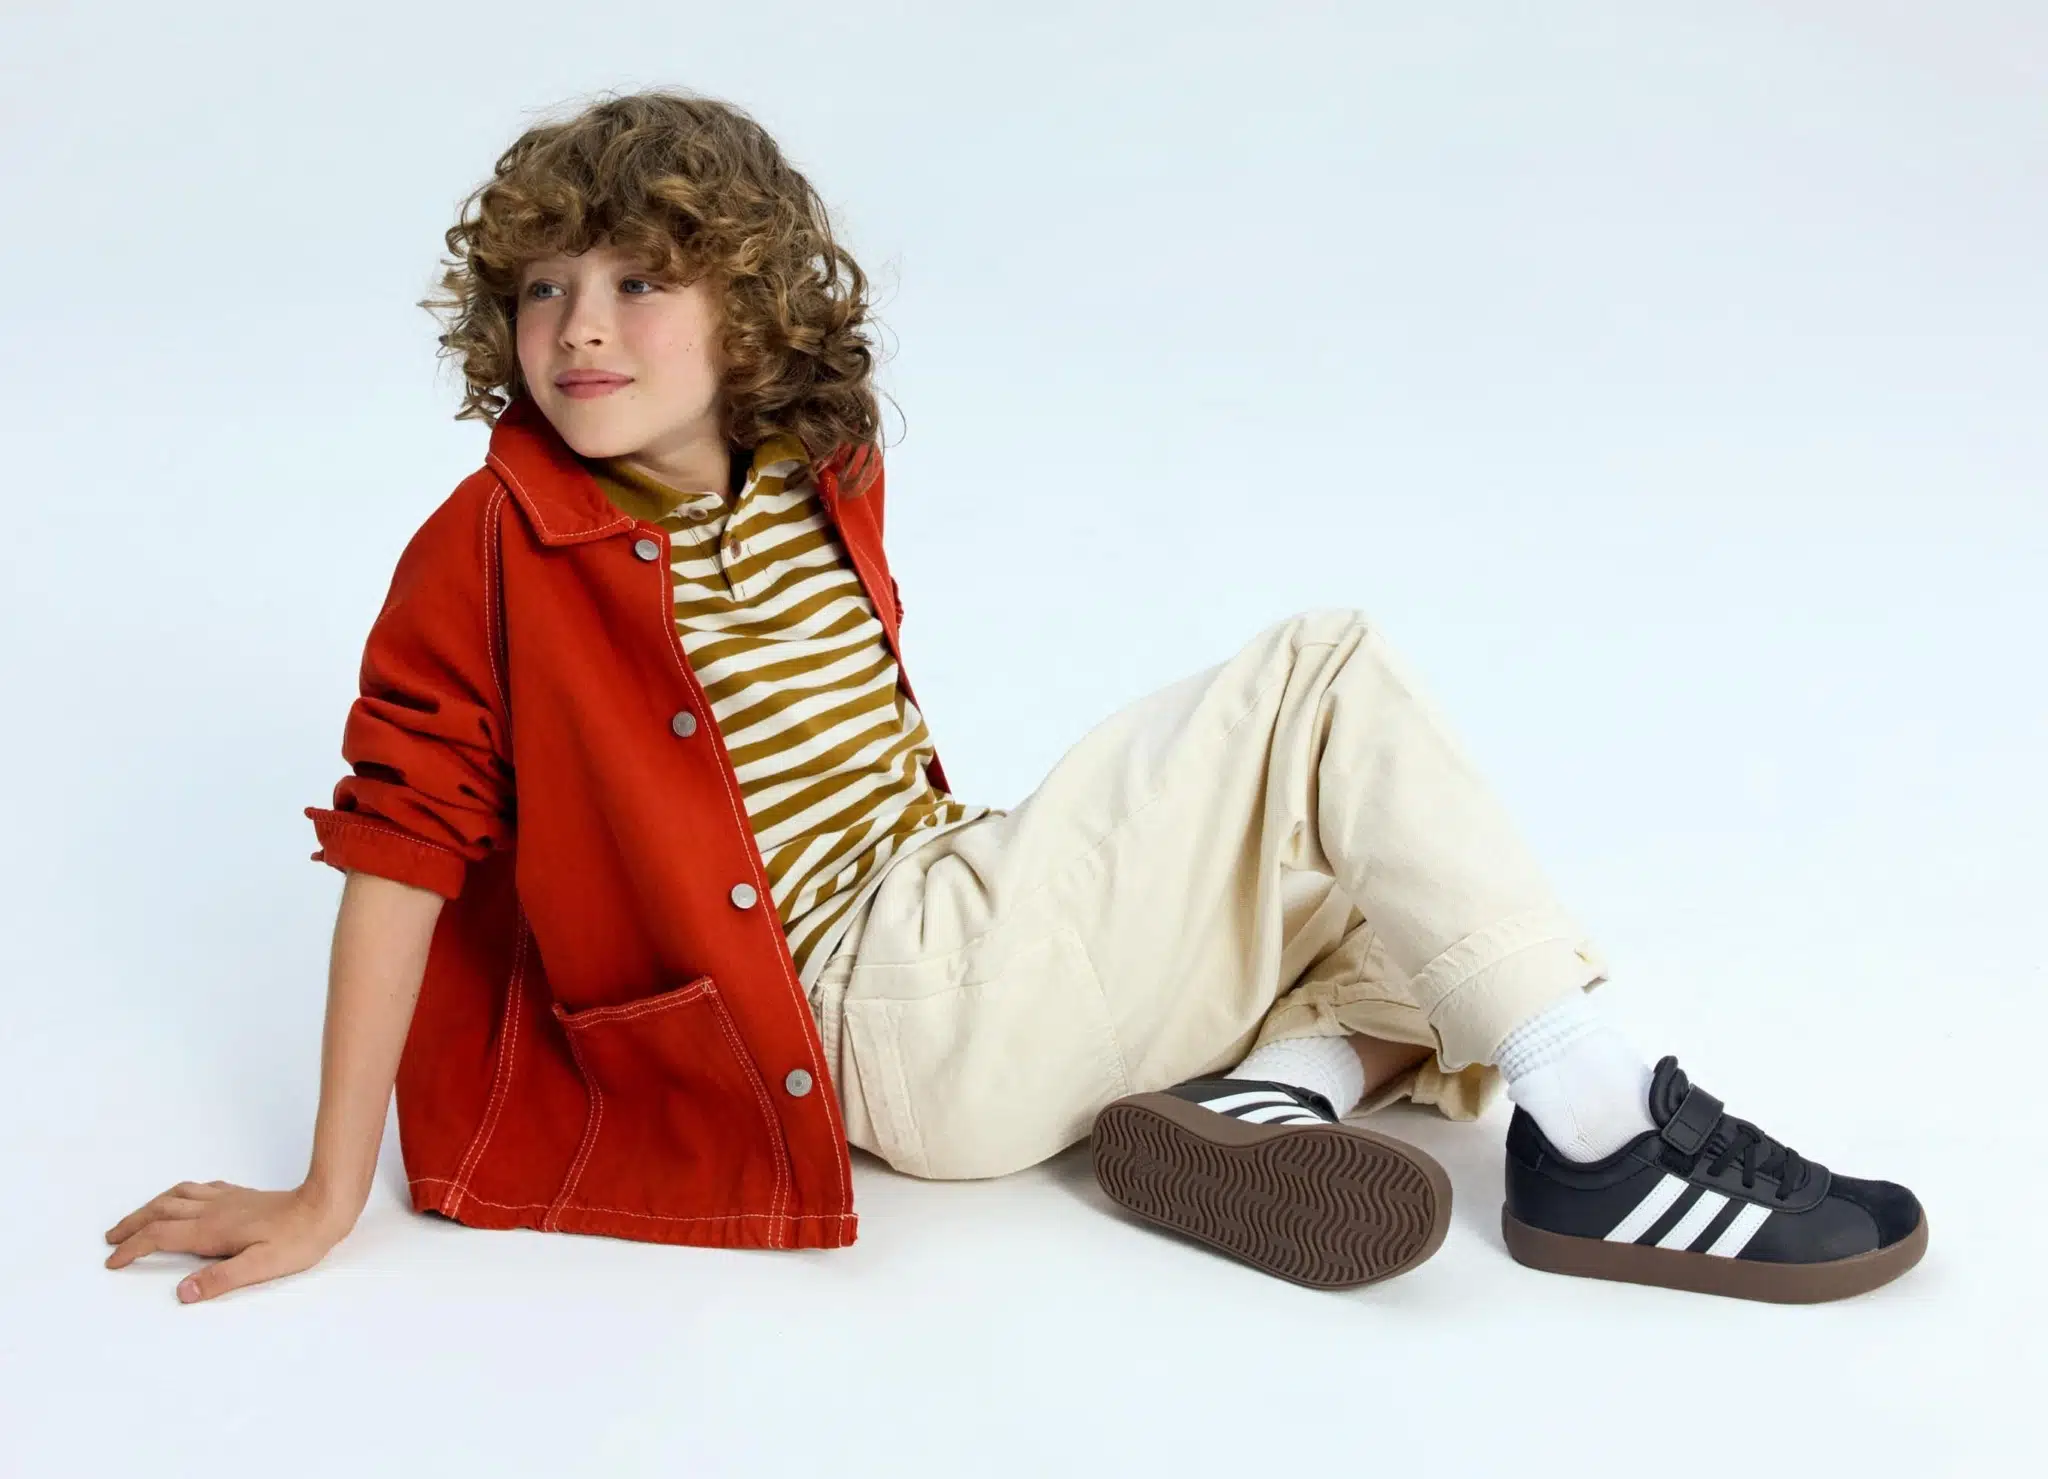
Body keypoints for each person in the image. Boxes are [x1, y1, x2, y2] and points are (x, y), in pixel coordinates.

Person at [103, 87, 1927, 1307]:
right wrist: (327, 1189)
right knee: (1327, 679)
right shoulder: (492, 543)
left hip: (954, 941)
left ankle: (1272, 1098)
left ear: (749, 310)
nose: (580, 325)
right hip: (872, 1008)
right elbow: (402, 849)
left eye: (640, 280)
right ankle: (1597, 1136)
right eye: (544, 289)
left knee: (1403, 874)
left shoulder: (815, 470)